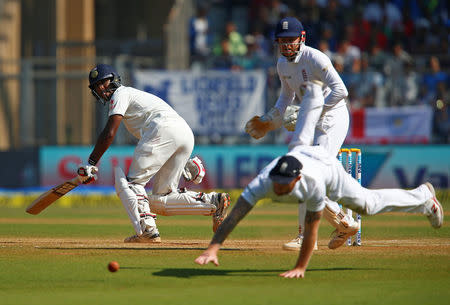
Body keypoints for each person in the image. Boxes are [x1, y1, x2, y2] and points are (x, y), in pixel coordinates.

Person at [194, 145, 444, 278]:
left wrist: (300, 267)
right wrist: (213, 248)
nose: (279, 187)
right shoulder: (264, 182)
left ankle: (423, 197)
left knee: (367, 205)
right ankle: (422, 197)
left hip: (327, 169)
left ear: (297, 179)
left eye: (285, 183)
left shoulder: (312, 185)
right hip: (305, 155)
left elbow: (312, 230)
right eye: (277, 182)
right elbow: (237, 215)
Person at [77, 64, 230, 243]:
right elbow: (167, 137)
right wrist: (182, 162)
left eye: (104, 82)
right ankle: (214, 201)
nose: (101, 88)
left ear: (115, 79)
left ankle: (147, 230)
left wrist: (91, 162)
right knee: (160, 201)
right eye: (97, 86)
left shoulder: (120, 94)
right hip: (183, 133)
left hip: (164, 129)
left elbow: (109, 133)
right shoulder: (133, 98)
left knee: (132, 184)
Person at [244, 17, 356, 251]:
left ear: (302, 38)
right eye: (282, 41)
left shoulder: (315, 57)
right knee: (299, 170)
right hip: (313, 118)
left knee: (308, 173)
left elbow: (341, 91)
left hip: (332, 117)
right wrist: (268, 120)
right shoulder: (282, 65)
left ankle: (332, 228)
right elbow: (286, 98)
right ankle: (337, 226)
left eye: (291, 40)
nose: (286, 45)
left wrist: (315, 110)